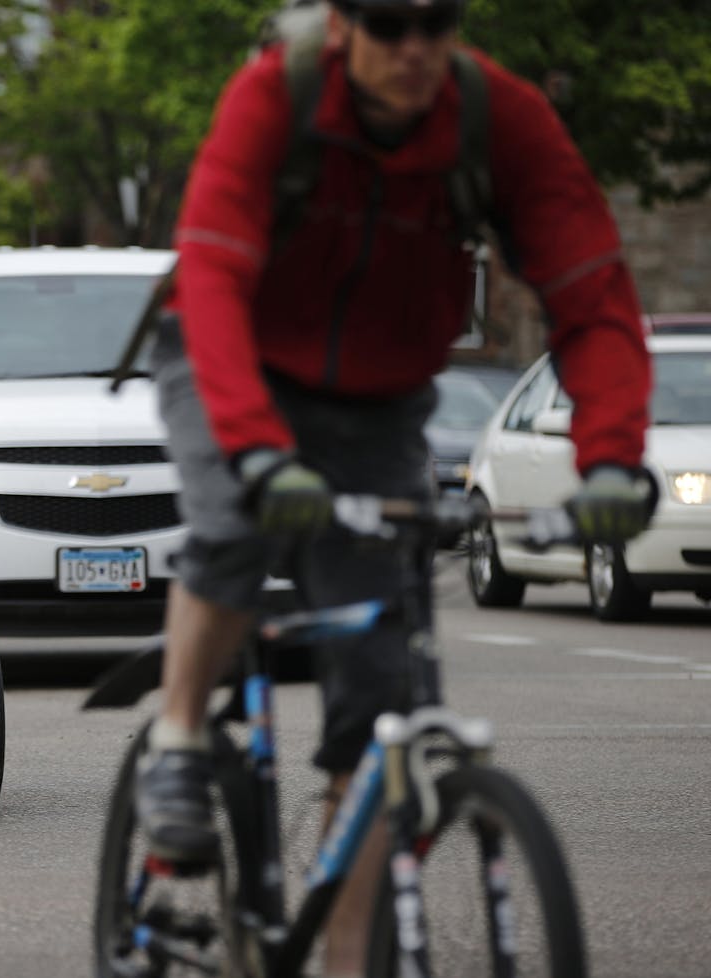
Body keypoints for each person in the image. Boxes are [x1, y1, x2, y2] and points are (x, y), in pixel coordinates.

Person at [136, 0, 652, 971]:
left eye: (434, 21)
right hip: (227, 357)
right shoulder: (274, 97)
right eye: (386, 22)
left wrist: (613, 456)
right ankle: (175, 741)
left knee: (377, 708)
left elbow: (590, 292)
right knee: (233, 523)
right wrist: (252, 450)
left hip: (375, 403)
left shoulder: (499, 119)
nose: (412, 47)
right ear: (339, 26)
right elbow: (208, 274)